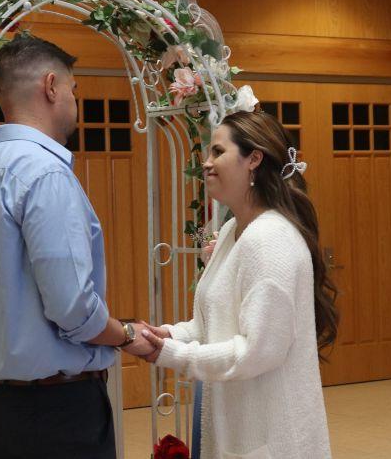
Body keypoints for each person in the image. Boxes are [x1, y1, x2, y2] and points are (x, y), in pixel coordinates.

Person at [0, 33, 154, 459]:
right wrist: (127, 334)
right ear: (52, 86)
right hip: (59, 413)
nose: (75, 102)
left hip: (0, 409)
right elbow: (72, 307)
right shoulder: (45, 174)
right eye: (74, 90)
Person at [141, 110, 338, 459]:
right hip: (238, 427)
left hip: (271, 438)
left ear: (254, 160)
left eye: (218, 152)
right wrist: (169, 335)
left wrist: (172, 355)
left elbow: (257, 351)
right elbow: (213, 322)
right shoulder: (235, 230)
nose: (206, 163)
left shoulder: (270, 239)